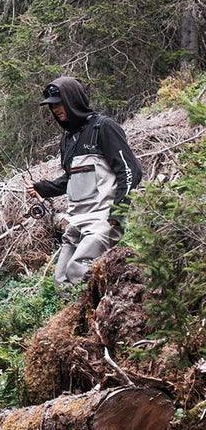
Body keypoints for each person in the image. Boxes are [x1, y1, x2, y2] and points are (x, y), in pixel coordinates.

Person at [25, 77, 143, 293]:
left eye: (59, 103)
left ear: (73, 100)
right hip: (75, 220)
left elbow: (130, 171)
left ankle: (108, 314)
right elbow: (72, 178)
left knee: (78, 271)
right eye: (52, 106)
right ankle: (81, 324)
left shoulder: (104, 128)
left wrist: (118, 213)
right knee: (62, 283)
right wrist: (42, 188)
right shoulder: (68, 138)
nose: (55, 110)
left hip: (102, 220)